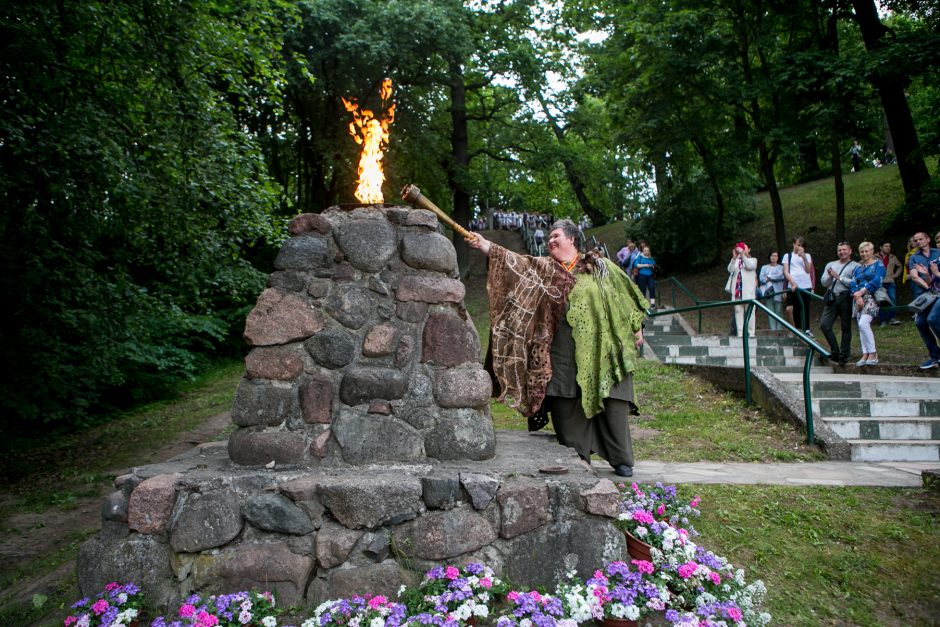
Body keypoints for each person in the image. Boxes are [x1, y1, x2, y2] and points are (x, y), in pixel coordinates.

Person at [466, 219, 648, 477]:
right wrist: (486, 246)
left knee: (612, 402)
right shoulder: (544, 269)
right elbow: (516, 265)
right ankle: (578, 455)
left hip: (604, 351)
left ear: (572, 239)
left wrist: (636, 327)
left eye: (556, 235)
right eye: (549, 237)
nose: (550, 240)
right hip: (562, 353)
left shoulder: (601, 267)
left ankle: (620, 458)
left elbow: (626, 295)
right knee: (566, 404)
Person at [819, 242, 859, 365]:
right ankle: (835, 351)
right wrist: (831, 277)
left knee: (845, 327)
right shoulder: (831, 264)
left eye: (844, 250)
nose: (842, 252)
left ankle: (844, 355)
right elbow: (823, 283)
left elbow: (854, 283)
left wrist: (839, 277)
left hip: (846, 297)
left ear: (850, 251)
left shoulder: (856, 266)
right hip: (832, 297)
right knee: (824, 325)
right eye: (840, 250)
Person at [849, 242, 885, 366]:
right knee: (860, 326)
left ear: (872, 251)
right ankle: (865, 353)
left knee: (864, 323)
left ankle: (873, 353)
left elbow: (877, 280)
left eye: (867, 251)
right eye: (862, 251)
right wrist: (856, 294)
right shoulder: (859, 268)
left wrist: (862, 291)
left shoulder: (878, 265)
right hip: (858, 298)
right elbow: (853, 282)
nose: (864, 254)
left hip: (872, 297)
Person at [908, 232, 940, 369]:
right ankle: (935, 356)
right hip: (926, 293)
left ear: (928, 239)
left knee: (932, 319)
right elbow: (914, 276)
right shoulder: (914, 258)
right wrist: (928, 283)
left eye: (921, 239)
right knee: (920, 322)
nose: (919, 241)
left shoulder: (938, 252)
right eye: (916, 240)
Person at [782, 236, 815, 336]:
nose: (799, 247)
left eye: (801, 245)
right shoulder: (787, 256)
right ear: (794, 244)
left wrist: (804, 257)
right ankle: (798, 329)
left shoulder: (807, 255)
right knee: (793, 309)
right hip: (792, 285)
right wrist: (793, 282)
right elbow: (785, 271)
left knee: (805, 308)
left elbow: (808, 270)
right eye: (798, 245)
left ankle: (807, 329)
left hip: (805, 285)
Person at [726, 242, 757, 337]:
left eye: (744, 248)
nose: (741, 250)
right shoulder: (735, 261)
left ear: (748, 250)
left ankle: (751, 333)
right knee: (738, 312)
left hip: (748, 293)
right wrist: (734, 258)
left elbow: (750, 266)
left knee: (750, 313)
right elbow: (730, 269)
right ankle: (740, 333)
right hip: (737, 292)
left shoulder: (753, 260)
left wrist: (743, 256)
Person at [759, 251, 787, 330]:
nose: (773, 257)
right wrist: (770, 278)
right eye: (772, 255)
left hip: (778, 291)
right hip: (768, 291)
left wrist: (768, 278)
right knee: (770, 311)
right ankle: (773, 329)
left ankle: (779, 329)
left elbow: (780, 276)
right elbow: (761, 278)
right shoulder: (764, 267)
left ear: (778, 258)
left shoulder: (781, 267)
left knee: (779, 310)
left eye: (775, 256)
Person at [877, 241, 902, 326]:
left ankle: (892, 318)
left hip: (890, 281)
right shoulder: (874, 257)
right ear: (881, 247)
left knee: (892, 300)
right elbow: (863, 262)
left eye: (889, 246)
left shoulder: (893, 257)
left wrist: (895, 275)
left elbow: (900, 266)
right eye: (886, 246)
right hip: (879, 283)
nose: (888, 248)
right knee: (881, 301)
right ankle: (883, 320)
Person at [633, 244, 657, 310]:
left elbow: (654, 265)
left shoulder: (651, 258)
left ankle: (652, 304)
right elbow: (636, 264)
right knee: (642, 290)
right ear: (643, 251)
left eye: (647, 251)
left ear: (649, 252)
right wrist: (645, 265)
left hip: (650, 275)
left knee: (652, 288)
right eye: (645, 250)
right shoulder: (640, 257)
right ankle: (643, 305)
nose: (646, 252)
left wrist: (652, 265)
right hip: (641, 276)